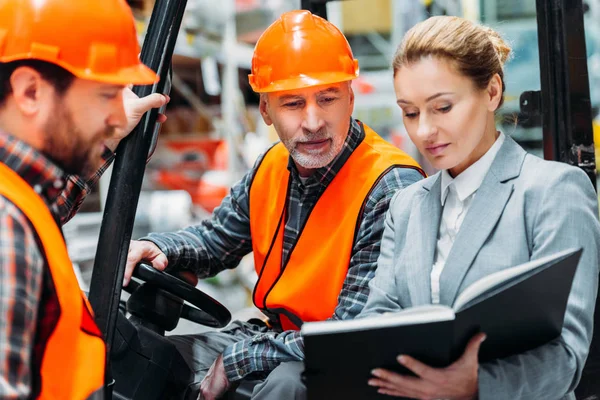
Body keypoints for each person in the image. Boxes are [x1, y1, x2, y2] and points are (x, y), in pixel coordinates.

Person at [124, 9, 425, 400]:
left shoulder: (390, 186)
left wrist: (240, 359)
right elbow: (216, 241)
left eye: (327, 98)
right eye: (293, 103)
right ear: (265, 109)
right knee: (141, 360)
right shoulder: (271, 167)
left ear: (350, 98)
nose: (313, 121)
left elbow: (353, 334)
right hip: (277, 337)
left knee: (287, 385)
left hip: (348, 360)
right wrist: (161, 248)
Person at [358, 16, 600, 400]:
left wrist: (476, 386)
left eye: (442, 108)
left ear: (491, 92)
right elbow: (378, 314)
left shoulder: (553, 191)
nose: (423, 131)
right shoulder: (406, 205)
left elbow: (567, 355)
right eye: (410, 112)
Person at [0, 0, 169, 398]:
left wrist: (106, 140)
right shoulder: (6, 231)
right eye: (106, 95)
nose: (117, 114)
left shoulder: (19, 199)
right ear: (30, 91)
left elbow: (43, 209)